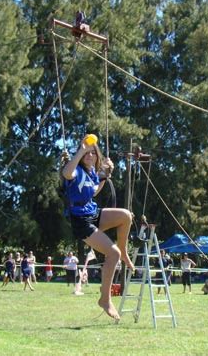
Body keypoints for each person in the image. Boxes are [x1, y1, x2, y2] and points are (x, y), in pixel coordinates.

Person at [62, 136, 134, 320]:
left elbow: (93, 191)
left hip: (92, 212)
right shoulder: (76, 170)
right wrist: (81, 151)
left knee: (126, 216)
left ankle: (124, 250)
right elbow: (67, 173)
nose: (90, 154)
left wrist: (105, 175)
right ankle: (105, 299)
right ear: (81, 153)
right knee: (113, 253)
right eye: (87, 151)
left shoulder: (92, 172)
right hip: (81, 220)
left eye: (93, 152)